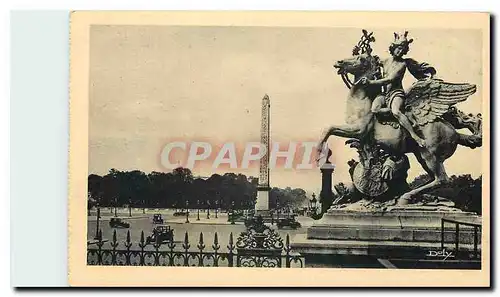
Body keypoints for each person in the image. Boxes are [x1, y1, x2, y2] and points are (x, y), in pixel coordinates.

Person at [359, 31, 435, 148]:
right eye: (398, 48)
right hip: (384, 94)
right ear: (393, 48)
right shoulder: (385, 61)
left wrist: (371, 82)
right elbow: (370, 61)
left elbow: (389, 79)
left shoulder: (402, 64)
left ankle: (415, 136)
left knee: (396, 111)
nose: (399, 51)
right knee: (374, 110)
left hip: (396, 93)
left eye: (402, 49)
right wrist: (364, 49)